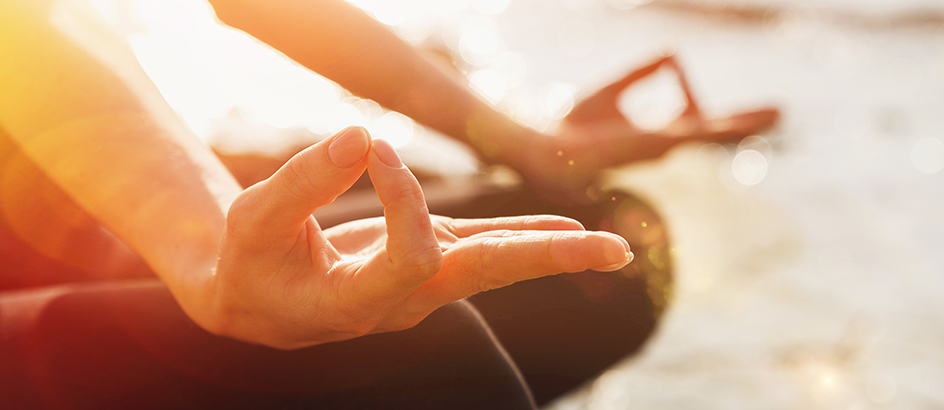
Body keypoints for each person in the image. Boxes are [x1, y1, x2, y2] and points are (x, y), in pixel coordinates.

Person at [0, 0, 776, 408]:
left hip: (64, 210)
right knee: (415, 359)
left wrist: (522, 144)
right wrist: (207, 252)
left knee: (598, 255)